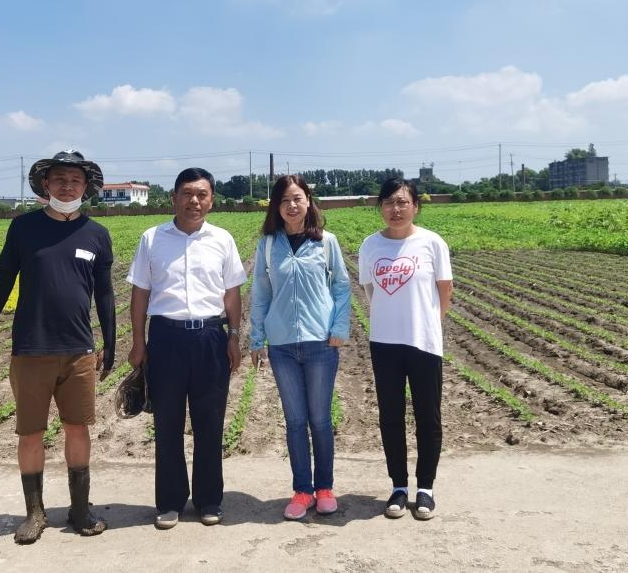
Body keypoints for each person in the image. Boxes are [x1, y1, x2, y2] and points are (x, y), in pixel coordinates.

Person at [0, 150, 116, 544]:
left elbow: (104, 293)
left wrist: (110, 342)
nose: (67, 186)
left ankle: (80, 509)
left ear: (86, 187)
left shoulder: (97, 234)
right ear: (46, 185)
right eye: (59, 179)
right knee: (31, 432)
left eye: (75, 180)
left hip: (78, 349)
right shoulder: (24, 228)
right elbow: (3, 282)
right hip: (31, 349)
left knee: (78, 428)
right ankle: (35, 512)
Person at [127, 167, 247, 530]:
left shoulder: (222, 239)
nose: (194, 201)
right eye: (187, 194)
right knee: (167, 424)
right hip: (166, 337)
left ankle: (209, 499)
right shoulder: (152, 238)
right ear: (174, 198)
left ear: (211, 200)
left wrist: (234, 336)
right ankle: (170, 501)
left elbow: (232, 293)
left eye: (202, 195)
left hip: (211, 337)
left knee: (210, 423)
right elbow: (140, 293)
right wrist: (138, 341)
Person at [249, 175, 351, 520]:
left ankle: (325, 488)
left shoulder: (326, 242)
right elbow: (260, 293)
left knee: (319, 419)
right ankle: (302, 491)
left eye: (297, 198)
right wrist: (256, 338)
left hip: (320, 342)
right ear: (276, 207)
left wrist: (339, 327)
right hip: (281, 346)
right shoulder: (267, 245)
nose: (291, 206)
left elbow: (341, 286)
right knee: (294, 421)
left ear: (308, 200)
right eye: (284, 200)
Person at [357, 177, 453, 521]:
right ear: (380, 207)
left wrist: (427, 324)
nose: (395, 209)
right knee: (390, 417)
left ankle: (426, 488)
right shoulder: (370, 245)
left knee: (428, 416)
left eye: (402, 202)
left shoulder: (432, 243)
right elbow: (370, 291)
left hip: (424, 342)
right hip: (384, 343)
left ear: (415, 206)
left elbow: (445, 291)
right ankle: (398, 486)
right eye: (388, 202)